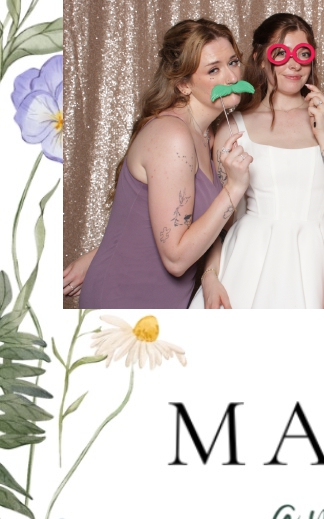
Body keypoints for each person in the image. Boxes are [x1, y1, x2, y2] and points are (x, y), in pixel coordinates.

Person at [63, 21, 253, 309]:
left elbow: (193, 223)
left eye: (233, 62)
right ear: (183, 84)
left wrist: (210, 275)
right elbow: (176, 259)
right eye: (213, 70)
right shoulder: (172, 135)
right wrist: (234, 188)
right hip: (124, 298)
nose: (231, 76)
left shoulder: (207, 134)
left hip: (167, 300)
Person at [194, 14, 324, 310]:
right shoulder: (232, 126)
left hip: (321, 258)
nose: (294, 64)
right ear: (260, 58)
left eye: (303, 53)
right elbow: (217, 221)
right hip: (250, 258)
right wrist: (210, 275)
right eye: (280, 53)